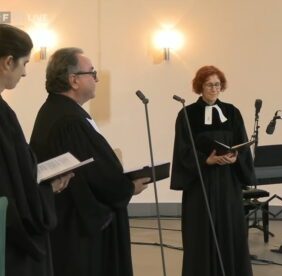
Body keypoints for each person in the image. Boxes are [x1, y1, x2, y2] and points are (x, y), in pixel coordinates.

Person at [29, 47, 148, 276]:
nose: (96, 79)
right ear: (74, 80)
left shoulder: (59, 110)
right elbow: (97, 173)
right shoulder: (69, 119)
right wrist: (128, 187)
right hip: (78, 227)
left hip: (67, 219)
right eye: (91, 73)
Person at [0, 24, 72, 276]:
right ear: (8, 62)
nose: (25, 73)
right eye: (24, 63)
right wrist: (46, 190)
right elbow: (9, 186)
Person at [170, 65, 255, 276]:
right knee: (201, 232)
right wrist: (205, 161)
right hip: (201, 184)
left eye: (217, 84)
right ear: (200, 86)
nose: (214, 89)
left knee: (231, 231)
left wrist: (235, 157)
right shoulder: (187, 114)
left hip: (228, 184)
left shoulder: (232, 112)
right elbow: (183, 149)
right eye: (209, 85)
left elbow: (242, 144)